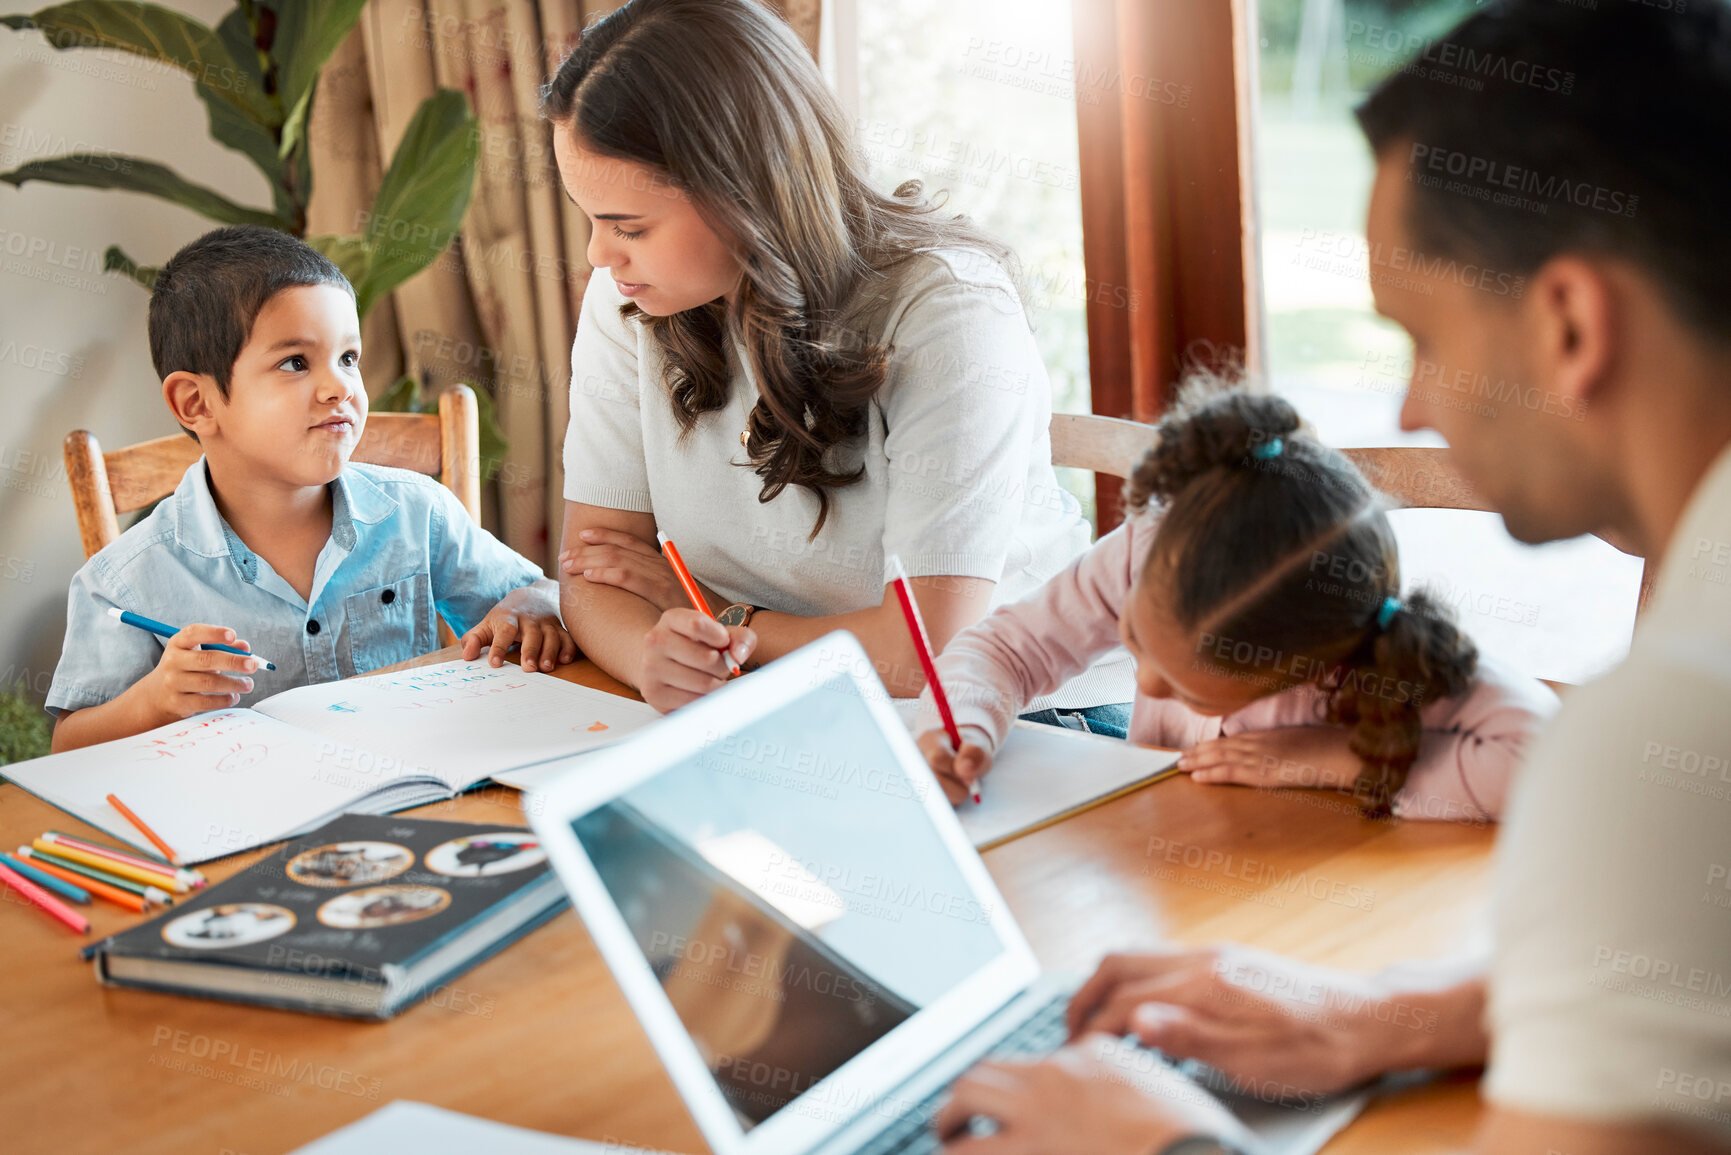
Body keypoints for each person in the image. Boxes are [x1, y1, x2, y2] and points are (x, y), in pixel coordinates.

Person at [937, 2, 1731, 1152]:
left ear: (1569, 323)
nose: (1412, 407)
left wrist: (1170, 1144)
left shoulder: (1663, 738)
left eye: (1423, 336)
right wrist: (1384, 1017)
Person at [543, 0, 1133, 718]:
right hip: (774, 699)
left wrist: (732, 625)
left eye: (627, 226)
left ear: (742, 188)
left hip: (1018, 718)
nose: (598, 255)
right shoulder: (633, 296)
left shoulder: (949, 311)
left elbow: (929, 651)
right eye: (591, 219)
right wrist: (654, 658)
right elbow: (595, 571)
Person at [917, 383, 1557, 821]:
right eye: (1136, 638)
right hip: (1172, 858)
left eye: (1190, 690)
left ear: (1313, 666)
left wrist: (1340, 760)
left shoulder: (1369, 656)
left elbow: (1546, 763)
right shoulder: (1151, 551)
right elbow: (1005, 648)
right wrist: (963, 724)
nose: (1142, 684)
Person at [46, 226, 573, 753]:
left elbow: (543, 596)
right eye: (295, 362)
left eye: (348, 358)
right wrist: (155, 700)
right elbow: (68, 749)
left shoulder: (418, 512)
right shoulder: (121, 580)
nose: (341, 387)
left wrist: (531, 604)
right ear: (197, 404)